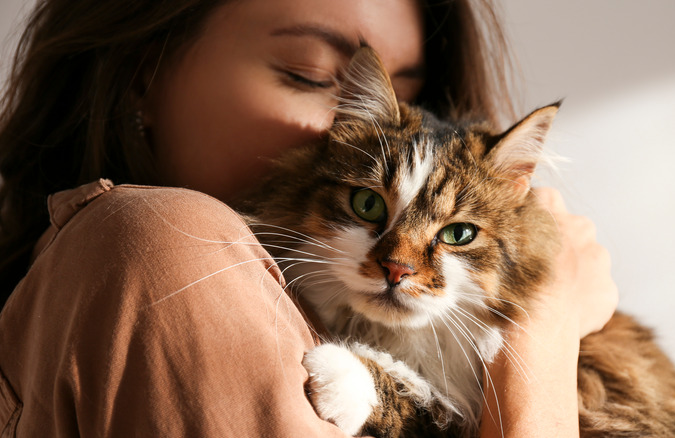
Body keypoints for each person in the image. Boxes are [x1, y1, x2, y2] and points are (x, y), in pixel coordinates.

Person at [0, 0, 618, 436]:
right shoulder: (165, 244)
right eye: (314, 76)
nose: (357, 133)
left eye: (405, 97)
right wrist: (544, 328)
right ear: (143, 74)